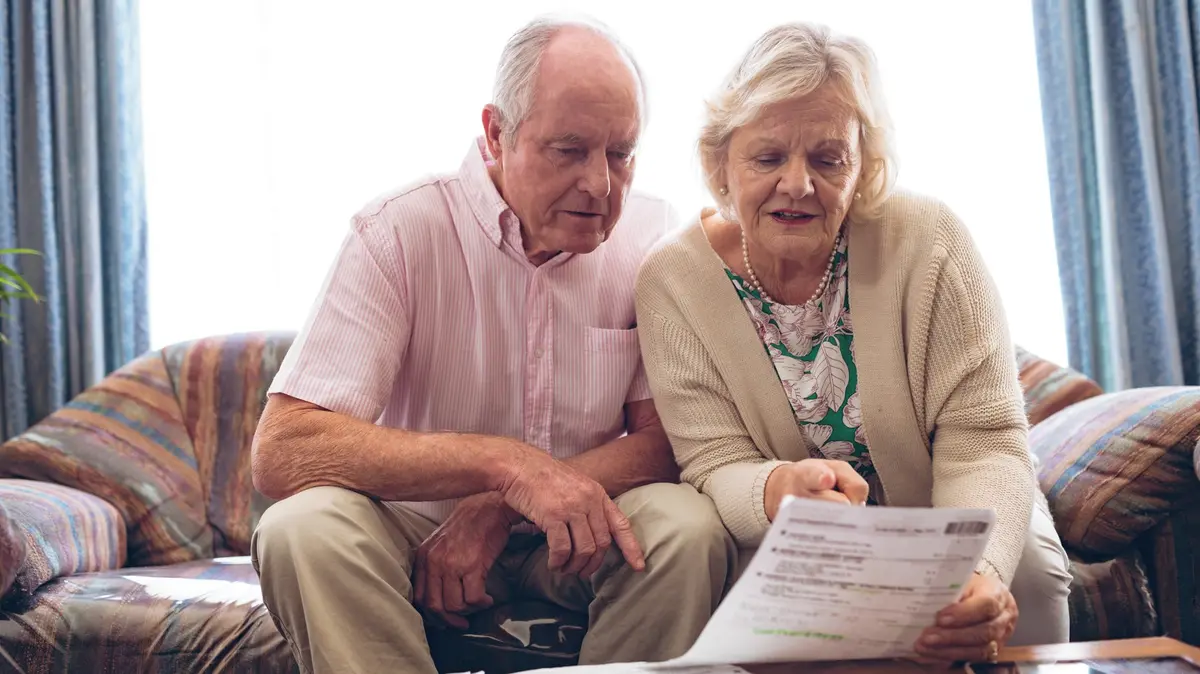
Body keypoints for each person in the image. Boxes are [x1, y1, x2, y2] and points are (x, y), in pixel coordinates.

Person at [250, 15, 735, 674]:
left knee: (686, 529)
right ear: (496, 133)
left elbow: (666, 442)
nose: (599, 184)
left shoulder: (653, 236)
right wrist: (504, 466)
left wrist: (503, 506)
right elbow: (286, 448)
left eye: (621, 154)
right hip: (416, 527)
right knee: (299, 529)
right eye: (569, 150)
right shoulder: (399, 231)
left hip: (582, 531)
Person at [634, 22, 1072, 663]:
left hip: (944, 512)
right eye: (767, 158)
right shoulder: (672, 280)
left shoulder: (931, 239)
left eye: (827, 158)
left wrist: (977, 569)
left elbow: (983, 436)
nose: (797, 184)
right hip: (794, 541)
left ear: (864, 165)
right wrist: (775, 489)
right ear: (719, 163)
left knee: (1022, 568)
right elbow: (712, 460)